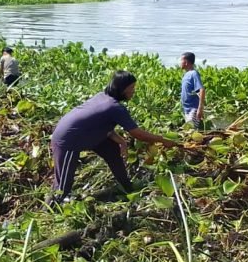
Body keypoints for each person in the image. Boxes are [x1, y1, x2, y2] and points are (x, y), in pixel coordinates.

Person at [50, 71, 179, 201]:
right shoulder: (115, 108)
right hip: (67, 141)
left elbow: (103, 126)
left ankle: (127, 187)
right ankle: (49, 211)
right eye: (131, 88)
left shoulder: (103, 96)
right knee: (62, 186)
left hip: (88, 135)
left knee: (112, 151)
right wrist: (162, 140)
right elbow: (137, 133)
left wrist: (122, 142)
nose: (133, 92)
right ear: (122, 89)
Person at [179, 52, 205, 127]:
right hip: (186, 110)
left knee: (191, 132)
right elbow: (197, 92)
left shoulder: (194, 73)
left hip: (193, 109)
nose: (180, 63)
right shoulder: (186, 74)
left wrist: (200, 109)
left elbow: (201, 90)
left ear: (186, 62)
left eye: (181, 60)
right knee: (190, 132)